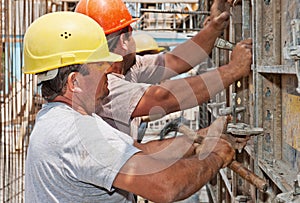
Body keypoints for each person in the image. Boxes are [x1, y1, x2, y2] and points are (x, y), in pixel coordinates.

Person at [24, 11, 240, 203]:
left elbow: (139, 151)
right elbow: (167, 186)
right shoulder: (78, 134)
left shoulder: (60, 119)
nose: (110, 72)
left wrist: (202, 138)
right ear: (75, 82)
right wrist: (215, 157)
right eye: (101, 66)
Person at [75, 0, 253, 139]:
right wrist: (233, 70)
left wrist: (215, 27)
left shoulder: (128, 66)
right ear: (123, 41)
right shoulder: (103, 85)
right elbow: (163, 97)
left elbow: (174, 60)